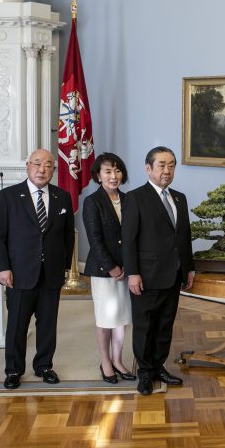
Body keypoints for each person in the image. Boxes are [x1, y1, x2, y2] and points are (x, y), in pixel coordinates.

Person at [0, 149, 74, 389]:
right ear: (27, 166)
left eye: (48, 165)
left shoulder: (62, 197)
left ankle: (44, 366)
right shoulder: (8, 196)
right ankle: (14, 370)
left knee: (48, 324)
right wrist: (3, 268)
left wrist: (65, 267)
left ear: (54, 170)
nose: (42, 169)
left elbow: (68, 236)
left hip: (51, 274)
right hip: (19, 273)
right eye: (37, 164)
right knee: (17, 325)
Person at [122, 146, 194, 395]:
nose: (167, 170)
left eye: (172, 165)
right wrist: (132, 273)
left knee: (165, 325)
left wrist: (189, 268)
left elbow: (184, 237)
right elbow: (129, 239)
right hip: (146, 275)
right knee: (145, 327)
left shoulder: (180, 198)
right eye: (162, 165)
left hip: (173, 274)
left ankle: (158, 367)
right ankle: (144, 373)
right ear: (148, 168)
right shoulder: (135, 198)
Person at [82, 152, 135, 384]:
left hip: (127, 269)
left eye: (117, 170)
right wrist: (112, 267)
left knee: (122, 318)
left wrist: (129, 266)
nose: (114, 176)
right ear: (98, 175)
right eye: (108, 171)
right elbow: (95, 239)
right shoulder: (92, 202)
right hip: (104, 271)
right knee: (105, 319)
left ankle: (118, 359)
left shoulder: (130, 199)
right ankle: (105, 362)